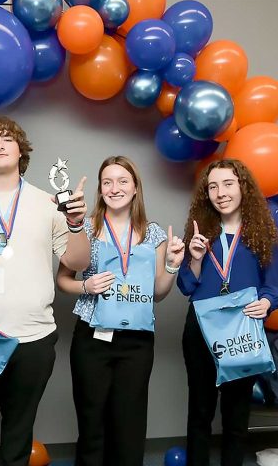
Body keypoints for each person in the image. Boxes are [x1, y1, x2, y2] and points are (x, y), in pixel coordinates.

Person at [0, 116, 91, 466]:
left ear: (20, 150)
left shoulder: (49, 204)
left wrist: (76, 223)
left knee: (18, 433)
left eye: (7, 138)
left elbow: (77, 260)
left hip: (34, 338)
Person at [55, 156, 186, 466]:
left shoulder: (153, 234)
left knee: (129, 426)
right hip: (92, 337)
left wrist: (171, 266)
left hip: (137, 342)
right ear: (100, 190)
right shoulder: (83, 227)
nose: (115, 188)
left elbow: (157, 293)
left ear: (136, 188)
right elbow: (62, 280)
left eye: (123, 181)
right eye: (108, 182)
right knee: (91, 425)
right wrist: (87, 287)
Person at [178, 158, 278, 466]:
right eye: (213, 186)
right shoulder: (200, 232)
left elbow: (273, 288)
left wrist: (265, 303)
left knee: (236, 416)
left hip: (242, 331)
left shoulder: (263, 233)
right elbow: (186, 286)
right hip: (201, 330)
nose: (220, 192)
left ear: (243, 188)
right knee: (199, 411)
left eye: (228, 184)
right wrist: (195, 259)